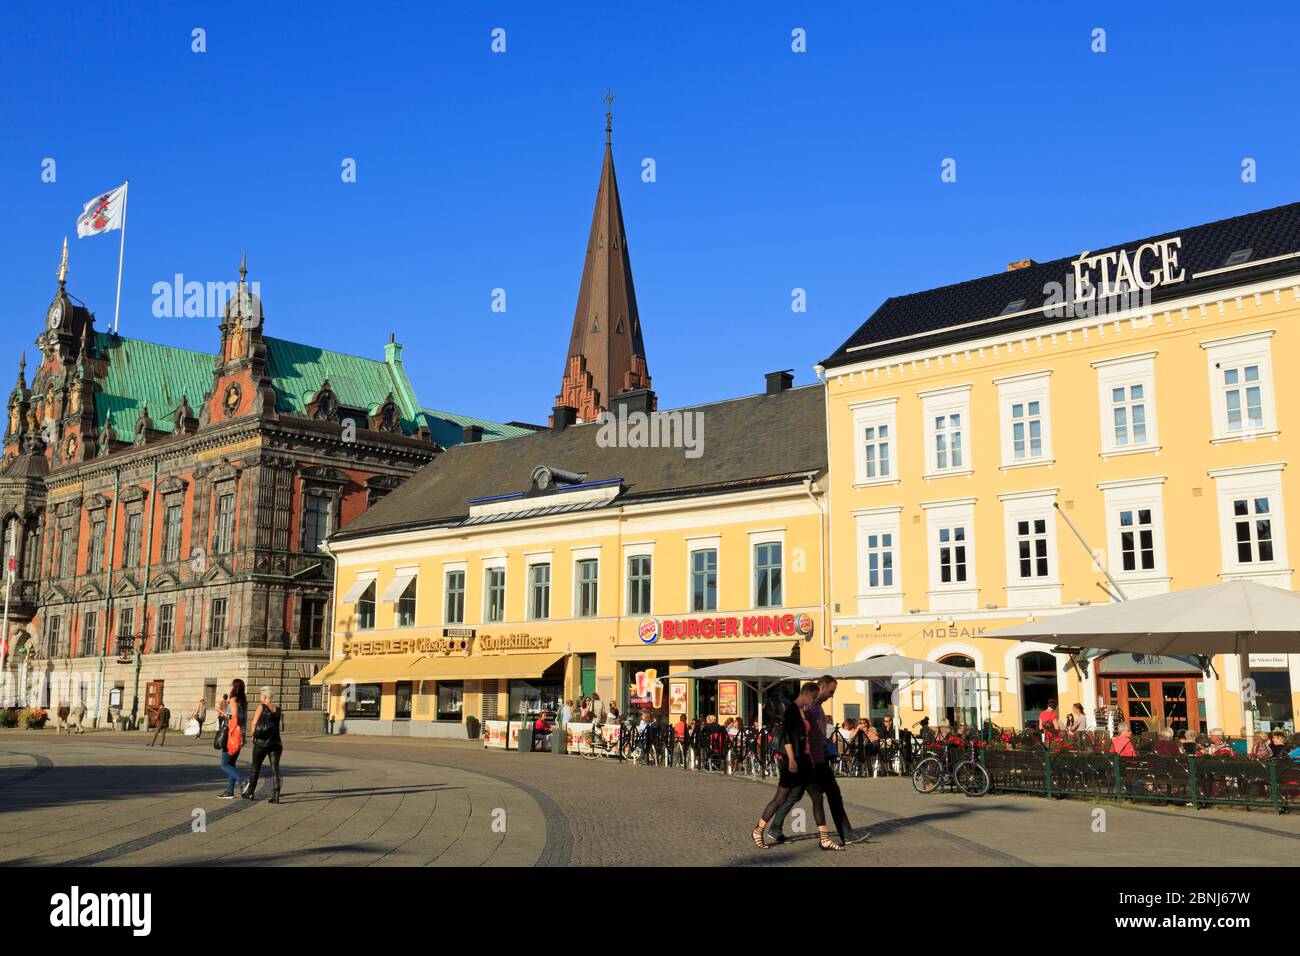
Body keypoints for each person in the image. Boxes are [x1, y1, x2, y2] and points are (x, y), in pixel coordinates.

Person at [753, 683, 843, 851]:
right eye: (813, 698)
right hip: (793, 763)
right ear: (806, 694)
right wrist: (792, 760)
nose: (813, 701)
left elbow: (805, 737)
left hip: (805, 761)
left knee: (817, 797)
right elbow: (787, 736)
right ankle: (758, 831)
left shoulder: (803, 711)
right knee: (780, 799)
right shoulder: (792, 710)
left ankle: (824, 839)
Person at [244, 687, 284, 803]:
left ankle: (250, 792)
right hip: (276, 743)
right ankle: (276, 796)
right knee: (275, 769)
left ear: (265, 696)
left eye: (261, 695)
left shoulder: (261, 707)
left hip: (261, 743)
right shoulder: (278, 709)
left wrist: (253, 736)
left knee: (255, 768)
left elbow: (254, 723)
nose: (259, 697)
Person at [217, 679, 248, 799]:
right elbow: (243, 719)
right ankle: (229, 791)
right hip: (239, 734)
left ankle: (243, 782)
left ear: (234, 687)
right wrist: (243, 736)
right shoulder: (243, 701)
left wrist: (222, 713)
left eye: (231, 684)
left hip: (231, 735)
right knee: (231, 764)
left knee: (224, 764)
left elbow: (233, 717)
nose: (229, 686)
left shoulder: (234, 700)